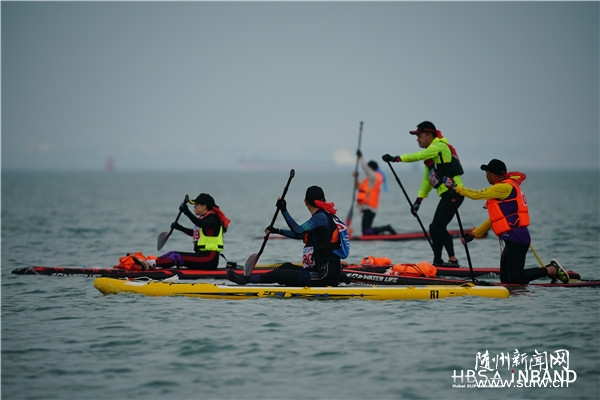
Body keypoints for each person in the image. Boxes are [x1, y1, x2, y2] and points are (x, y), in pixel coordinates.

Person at [443, 159, 569, 284]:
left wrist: (455, 186)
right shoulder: (503, 188)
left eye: (486, 173)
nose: (486, 176)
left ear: (492, 175)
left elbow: (476, 194)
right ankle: (539, 276)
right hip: (511, 240)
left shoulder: (504, 187)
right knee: (505, 280)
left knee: (516, 279)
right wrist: (473, 234)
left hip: (518, 239)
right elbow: (494, 220)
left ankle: (552, 270)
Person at [227, 185, 348, 286]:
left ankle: (246, 280)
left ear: (305, 202)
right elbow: (301, 235)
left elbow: (298, 230)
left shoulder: (320, 218)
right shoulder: (324, 217)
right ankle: (247, 279)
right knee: (285, 266)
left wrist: (284, 210)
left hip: (325, 276)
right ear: (324, 200)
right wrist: (277, 230)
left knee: (280, 275)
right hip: (320, 271)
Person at [382, 121, 464, 267]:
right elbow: (427, 181)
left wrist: (396, 159)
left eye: (419, 136)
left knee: (437, 226)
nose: (417, 139)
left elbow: (419, 155)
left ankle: (451, 261)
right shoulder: (430, 157)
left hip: (454, 192)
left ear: (429, 135)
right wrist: (418, 201)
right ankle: (440, 261)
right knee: (435, 227)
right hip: (447, 194)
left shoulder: (439, 146)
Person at [134, 193, 231, 270]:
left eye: (196, 204)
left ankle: (149, 264)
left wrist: (186, 212)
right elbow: (195, 234)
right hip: (202, 256)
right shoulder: (205, 219)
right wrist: (180, 228)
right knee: (172, 253)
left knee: (177, 257)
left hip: (209, 259)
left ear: (204, 206)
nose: (194, 207)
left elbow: (200, 224)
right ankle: (149, 261)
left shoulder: (213, 219)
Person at [353, 150, 396, 235]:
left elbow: (366, 169)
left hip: (370, 208)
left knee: (366, 232)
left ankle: (387, 228)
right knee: (366, 231)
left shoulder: (374, 177)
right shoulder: (368, 180)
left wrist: (361, 157)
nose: (368, 170)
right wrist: (356, 177)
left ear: (371, 168)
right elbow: (359, 188)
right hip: (366, 207)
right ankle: (379, 234)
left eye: (369, 168)